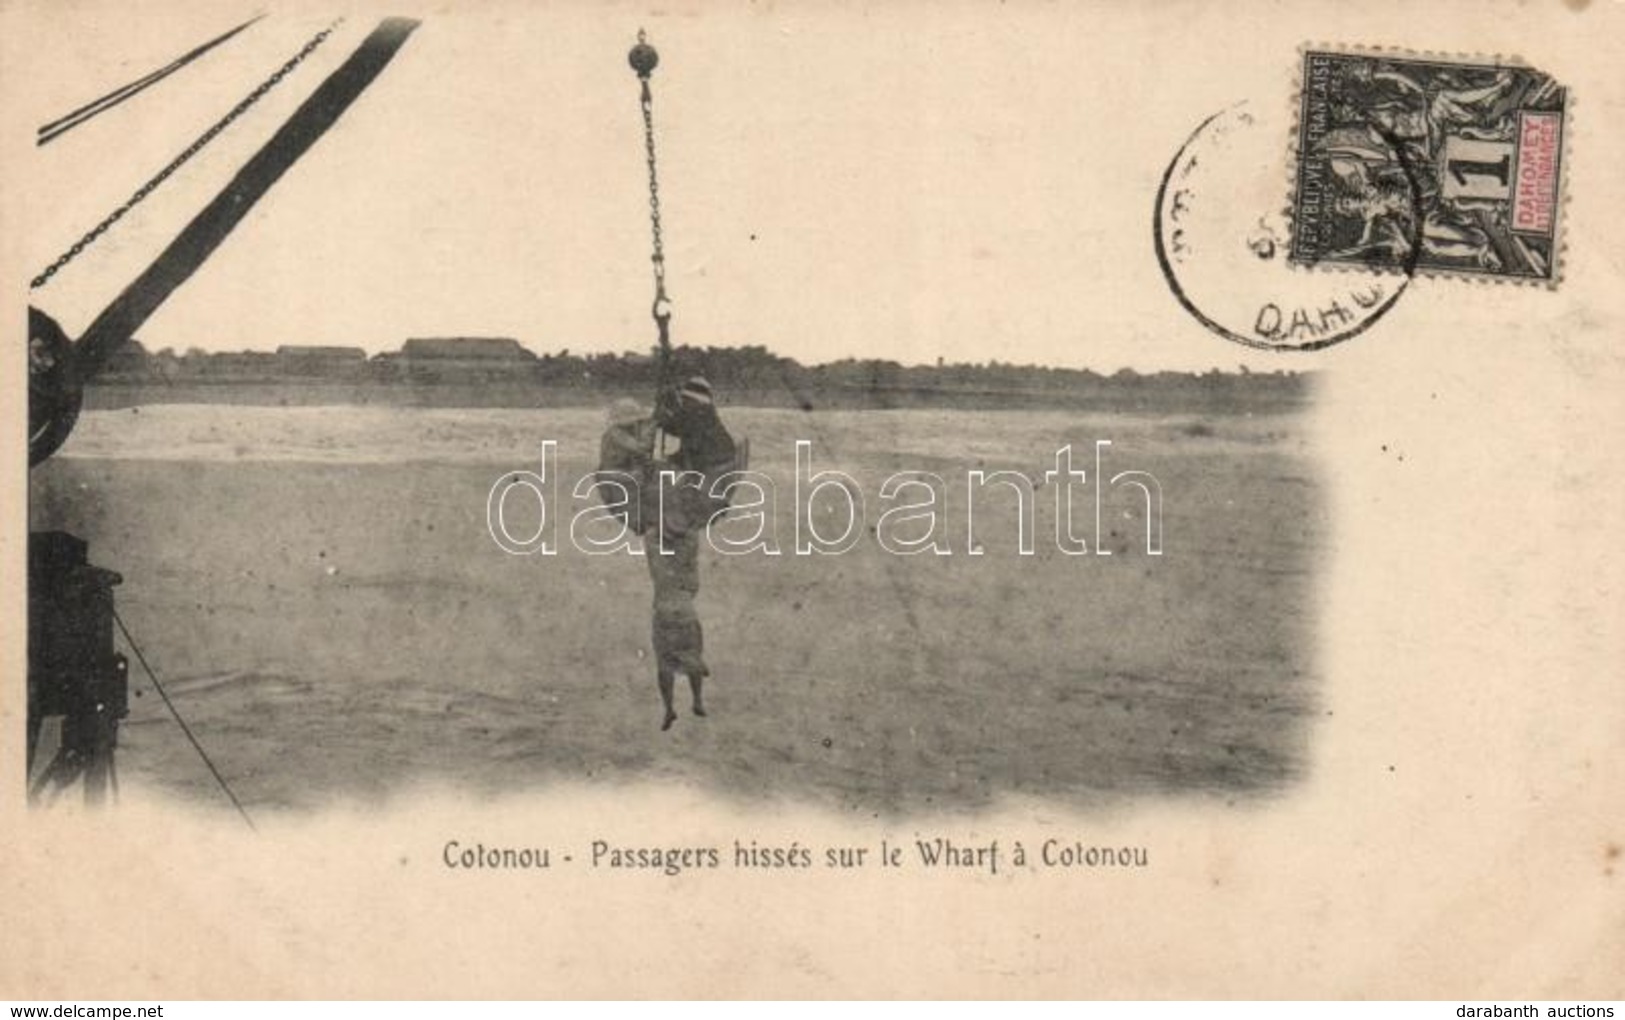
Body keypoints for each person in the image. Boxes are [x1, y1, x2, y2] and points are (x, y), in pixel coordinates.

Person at [644, 376, 738, 730]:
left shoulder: (701, 425)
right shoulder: (685, 554)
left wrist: (662, 410)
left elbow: (672, 425)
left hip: (665, 617)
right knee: (692, 655)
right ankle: (696, 699)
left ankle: (671, 707)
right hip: (684, 615)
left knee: (665, 664)